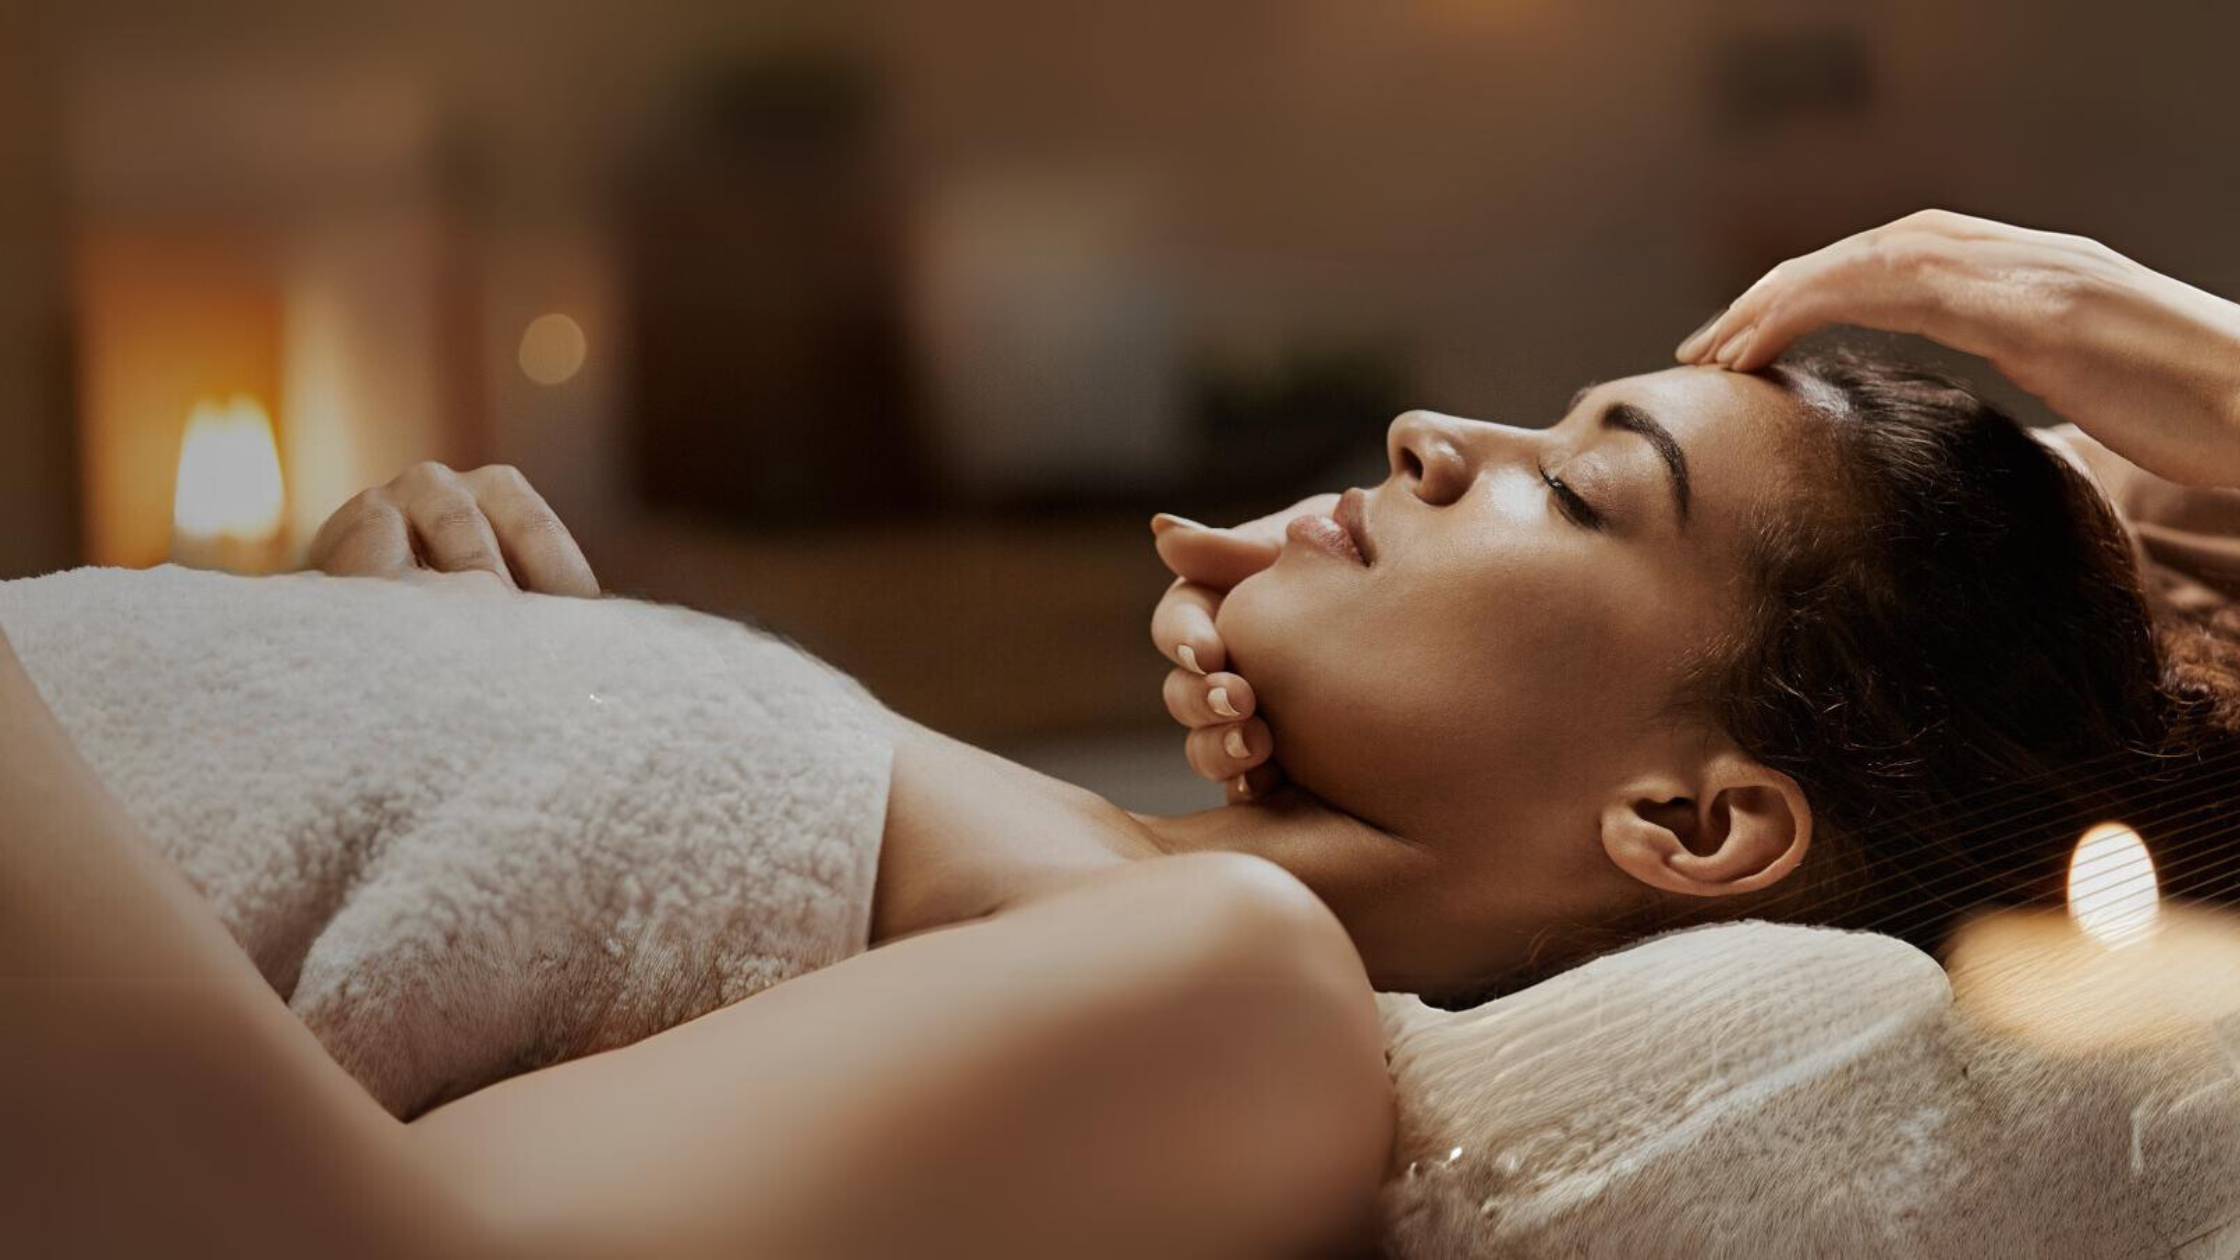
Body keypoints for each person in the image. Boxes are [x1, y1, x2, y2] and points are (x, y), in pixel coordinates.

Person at [7, 209, 2237, 1257]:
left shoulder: (1235, 1002)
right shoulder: (1044, 880)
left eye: (1581, 478)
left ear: (1694, 817)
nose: (1429, 434)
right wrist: (373, 682)